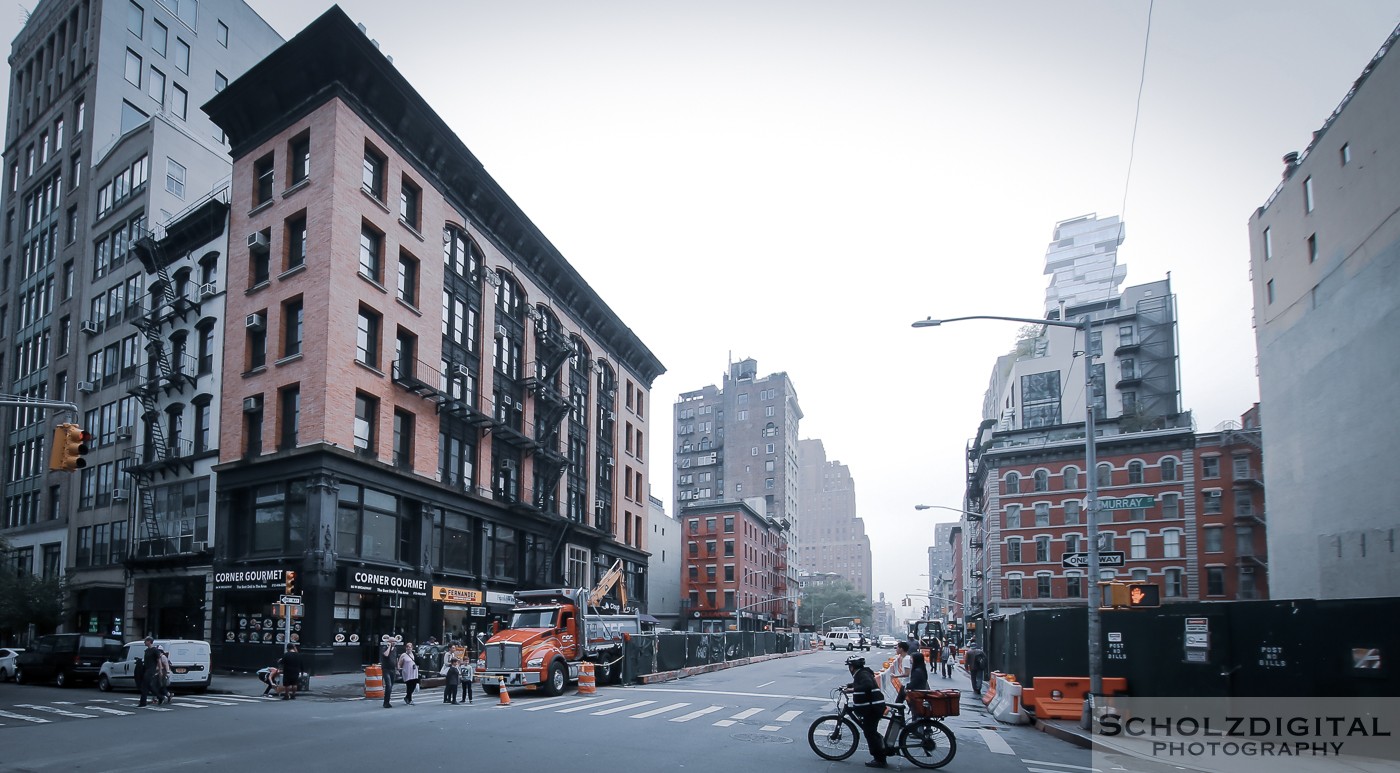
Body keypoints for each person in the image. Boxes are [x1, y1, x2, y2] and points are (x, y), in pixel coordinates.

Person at [842, 655, 888, 768]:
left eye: (850, 666)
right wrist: (849, 686)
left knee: (870, 732)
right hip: (872, 707)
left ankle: (880, 759)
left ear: (852, 667)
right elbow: (862, 683)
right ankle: (881, 749)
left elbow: (867, 685)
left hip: (872, 708)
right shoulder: (863, 673)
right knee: (870, 731)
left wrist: (852, 689)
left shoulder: (862, 674)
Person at [379, 638, 398, 709]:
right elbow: (386, 655)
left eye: (395, 642)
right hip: (386, 669)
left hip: (393, 669)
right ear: (389, 642)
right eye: (393, 641)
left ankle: (388, 701)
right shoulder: (384, 648)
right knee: (388, 685)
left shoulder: (395, 649)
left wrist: (397, 667)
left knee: (391, 686)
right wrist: (389, 647)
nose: (394, 643)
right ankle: (386, 702)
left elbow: (395, 658)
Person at [135, 636, 153, 707]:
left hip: (150, 671)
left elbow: (158, 661)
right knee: (147, 686)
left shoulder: (154, 650)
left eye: (145, 641)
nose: (144, 642)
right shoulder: (147, 651)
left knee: (145, 686)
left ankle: (143, 702)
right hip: (146, 670)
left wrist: (159, 670)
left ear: (149, 641)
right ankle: (160, 696)